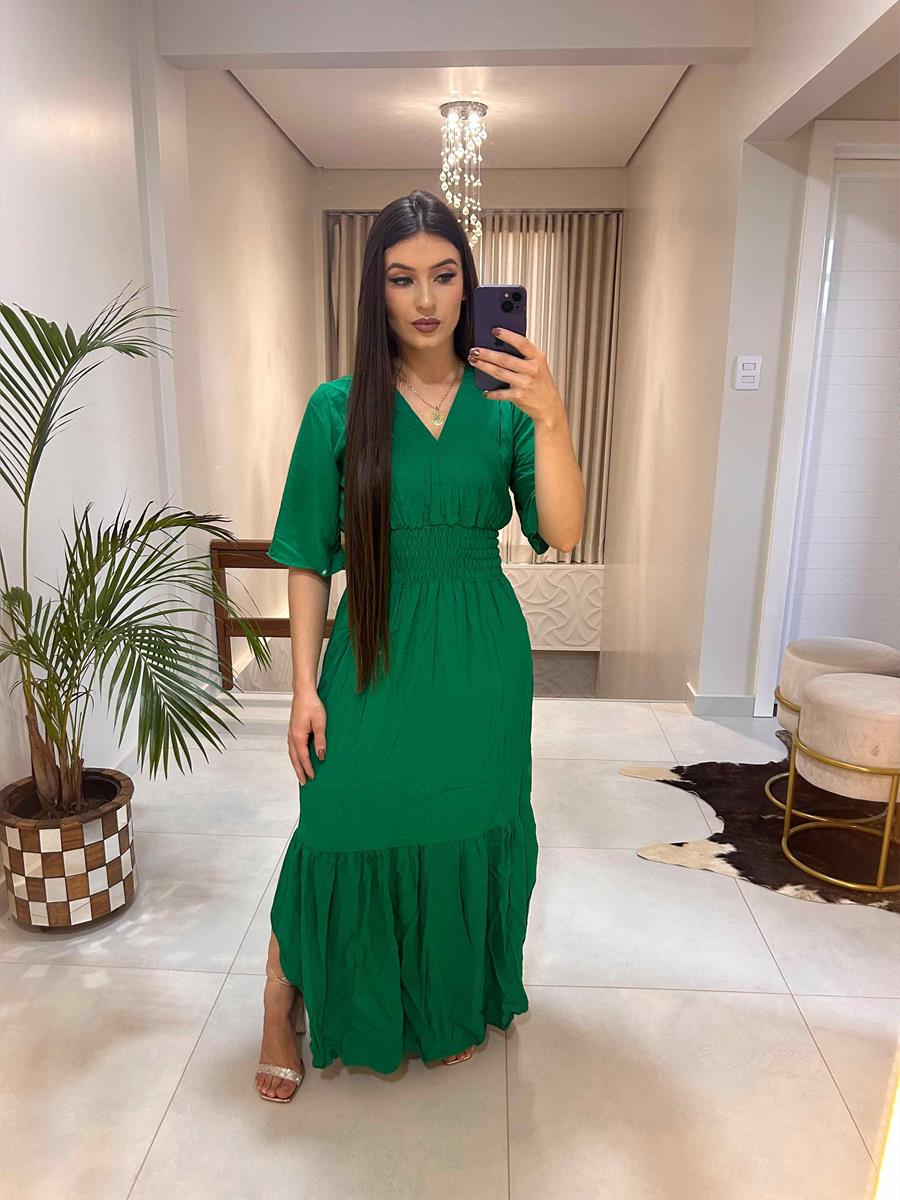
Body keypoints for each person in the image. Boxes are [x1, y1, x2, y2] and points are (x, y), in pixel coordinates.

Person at [255, 190, 585, 1100]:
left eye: (444, 275)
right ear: (378, 290)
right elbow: (306, 557)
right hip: (372, 647)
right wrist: (302, 688)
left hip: (480, 656)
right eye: (403, 279)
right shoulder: (337, 407)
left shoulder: (504, 404)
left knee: (464, 823)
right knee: (337, 823)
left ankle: (443, 1003)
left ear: (469, 284)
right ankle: (281, 993)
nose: (427, 299)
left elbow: (560, 530)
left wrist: (552, 416)